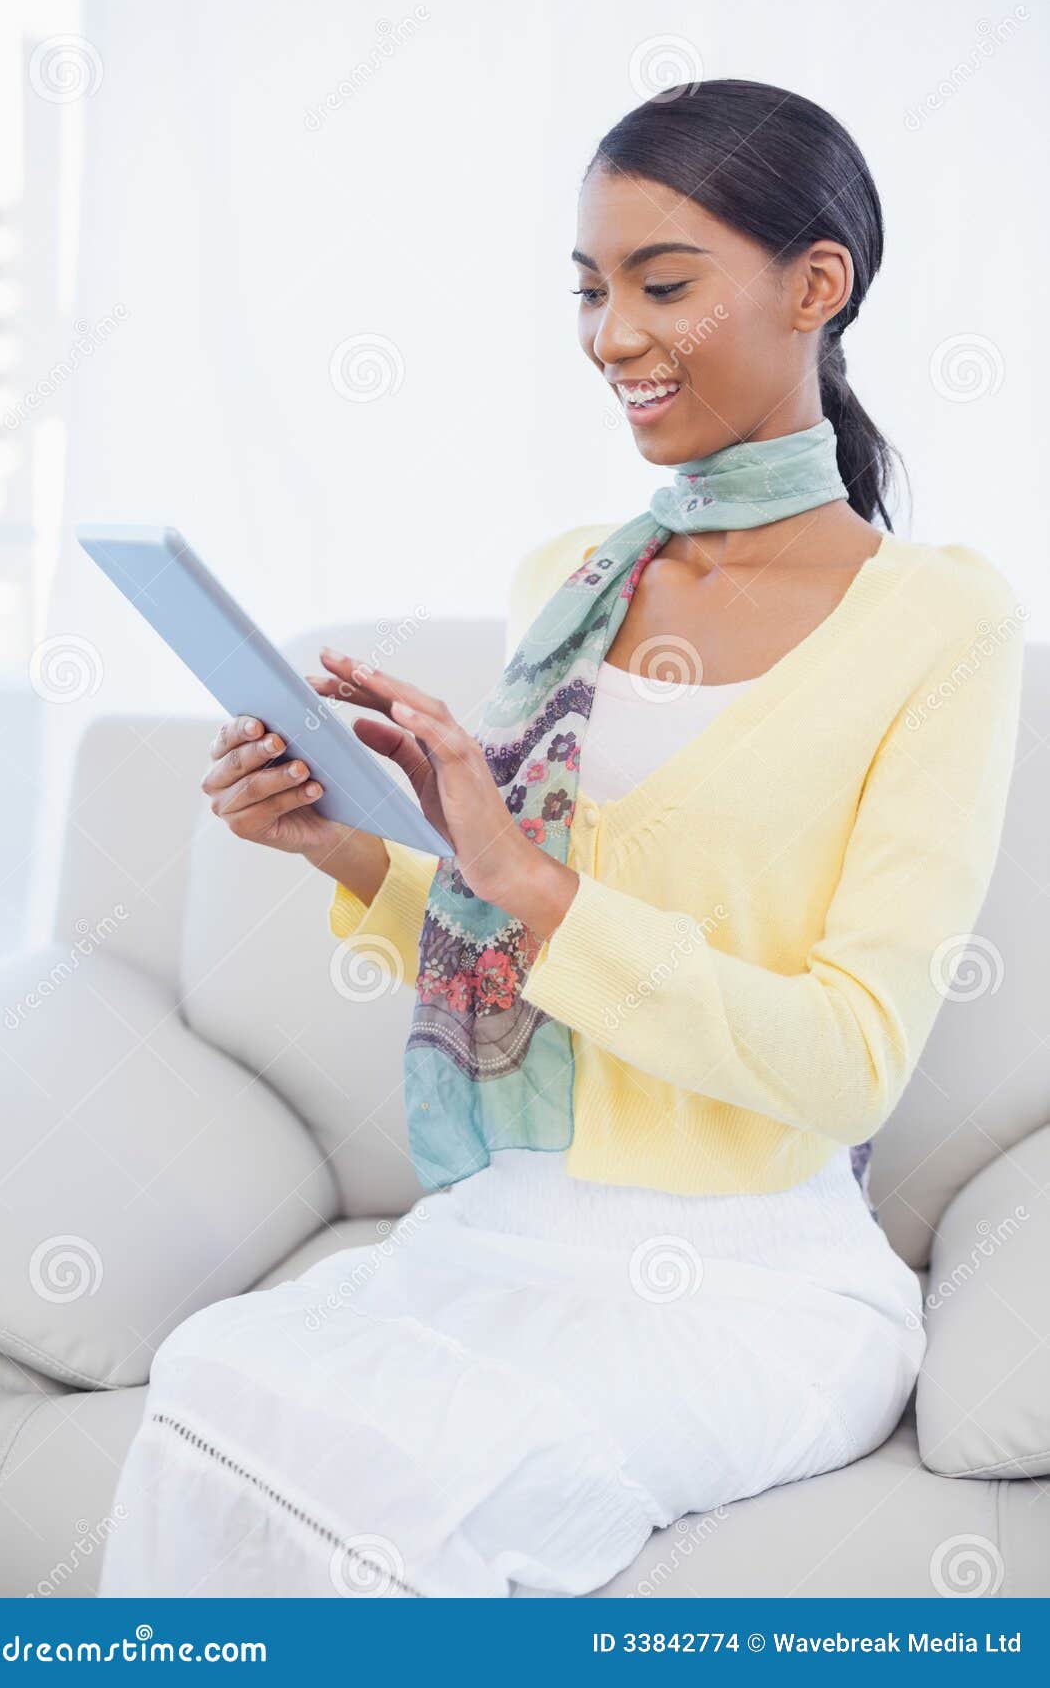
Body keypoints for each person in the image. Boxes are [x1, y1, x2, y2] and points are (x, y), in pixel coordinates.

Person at [98, 79, 1024, 1598]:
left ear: (817, 284)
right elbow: (509, 945)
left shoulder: (938, 621)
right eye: (590, 292)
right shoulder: (573, 580)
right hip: (514, 1221)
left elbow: (850, 1059)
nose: (612, 336)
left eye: (664, 284)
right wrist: (347, 844)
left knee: (437, 1488)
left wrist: (531, 880)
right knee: (215, 1387)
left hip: (752, 1268)